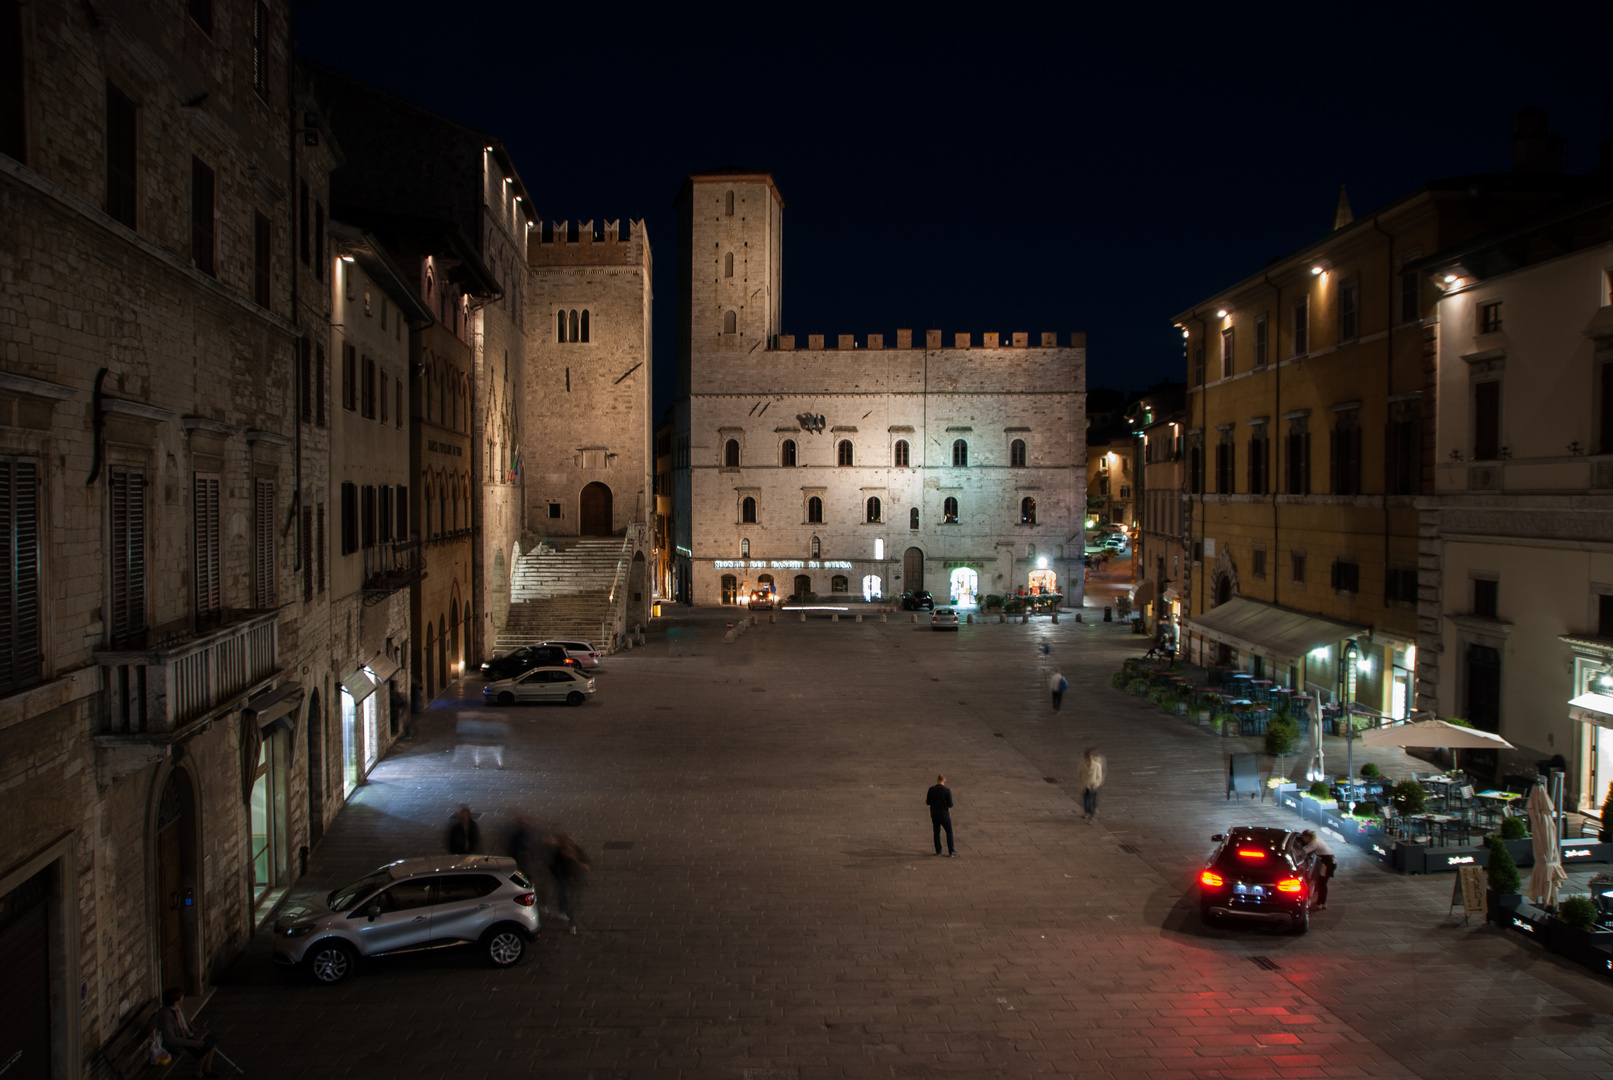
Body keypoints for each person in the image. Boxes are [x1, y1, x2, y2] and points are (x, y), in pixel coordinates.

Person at [157, 988, 218, 1078]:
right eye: (181, 998)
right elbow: (170, 1039)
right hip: (178, 1042)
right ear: (175, 1002)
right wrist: (192, 1043)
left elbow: (187, 1023)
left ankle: (207, 1068)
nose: (183, 999)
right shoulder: (166, 1016)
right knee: (203, 1047)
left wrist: (197, 1030)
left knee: (212, 1041)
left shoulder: (179, 1008)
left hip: (187, 1034)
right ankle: (198, 1073)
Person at [547, 828, 590, 932]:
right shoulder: (558, 854)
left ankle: (565, 913)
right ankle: (571, 923)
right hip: (563, 878)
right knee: (567, 898)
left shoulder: (574, 850)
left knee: (569, 899)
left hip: (573, 880)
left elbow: (584, 858)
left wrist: (580, 862)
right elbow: (553, 867)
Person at [1299, 830, 1336, 909]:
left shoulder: (1313, 843)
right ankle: (1322, 902)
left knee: (1322, 883)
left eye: (1304, 837)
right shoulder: (1317, 840)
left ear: (1308, 837)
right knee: (1322, 883)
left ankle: (1320, 903)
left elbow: (1303, 851)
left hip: (1327, 863)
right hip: (1330, 862)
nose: (1303, 839)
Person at [926, 775, 956, 856]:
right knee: (949, 831)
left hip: (934, 813)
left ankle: (938, 850)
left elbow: (928, 802)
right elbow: (950, 804)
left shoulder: (931, 789)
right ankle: (951, 851)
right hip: (944, 814)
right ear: (944, 781)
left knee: (936, 832)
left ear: (937, 780)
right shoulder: (947, 790)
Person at [1078, 748, 1105, 822]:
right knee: (1086, 799)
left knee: (1093, 799)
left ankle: (1092, 812)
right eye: (1088, 756)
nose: (1089, 758)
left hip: (1093, 785)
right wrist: (1082, 784)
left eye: (1091, 756)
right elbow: (1080, 775)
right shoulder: (1082, 765)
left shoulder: (1097, 765)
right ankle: (1087, 812)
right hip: (1085, 785)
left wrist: (1096, 784)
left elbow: (1099, 777)